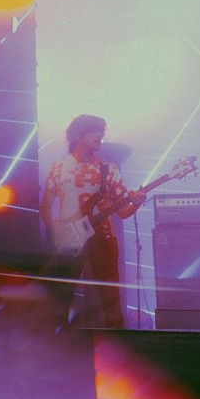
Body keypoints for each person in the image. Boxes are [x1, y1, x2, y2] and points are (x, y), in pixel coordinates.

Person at [39, 114, 146, 329]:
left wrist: (136, 202)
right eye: (94, 132)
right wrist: (56, 231)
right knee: (62, 296)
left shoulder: (108, 169)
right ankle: (58, 341)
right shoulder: (58, 168)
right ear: (78, 135)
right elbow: (45, 206)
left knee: (110, 297)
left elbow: (123, 212)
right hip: (68, 240)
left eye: (101, 132)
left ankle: (116, 340)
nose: (99, 136)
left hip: (103, 237)